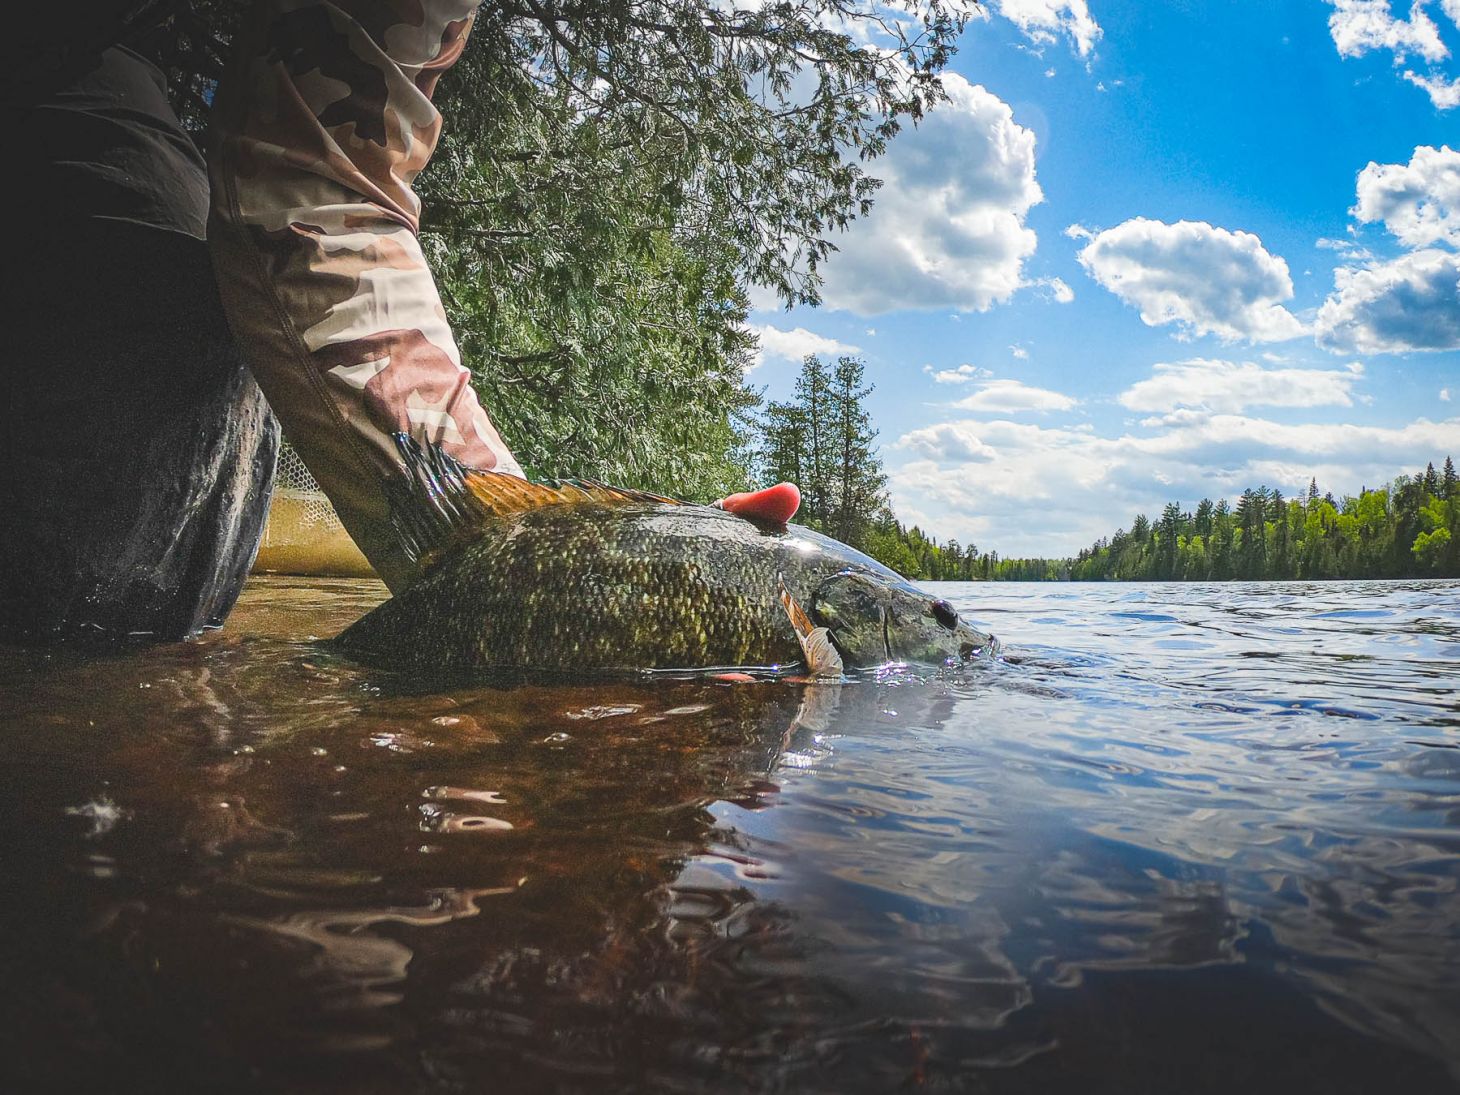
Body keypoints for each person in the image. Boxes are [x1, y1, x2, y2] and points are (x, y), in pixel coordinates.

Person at [0, 0, 796, 644]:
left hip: (72, 45)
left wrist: (532, 565)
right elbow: (304, 188)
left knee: (180, 337)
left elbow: (316, 178)